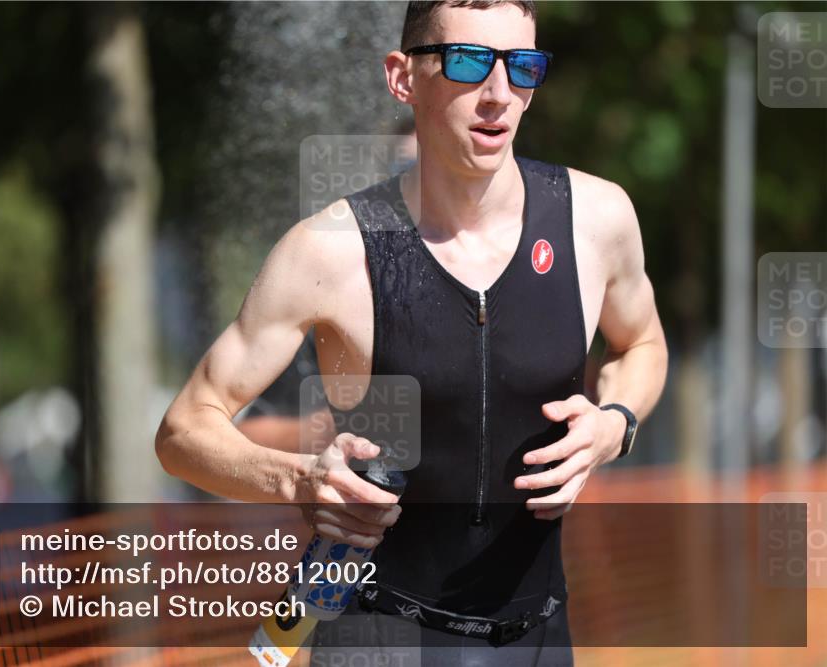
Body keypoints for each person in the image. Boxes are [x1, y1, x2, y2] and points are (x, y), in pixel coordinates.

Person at [156, 1, 668, 664]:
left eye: (523, 67)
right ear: (403, 77)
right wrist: (299, 479)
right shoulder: (330, 252)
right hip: (378, 634)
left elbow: (643, 345)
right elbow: (184, 430)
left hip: (537, 636)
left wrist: (614, 422)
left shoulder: (596, 220)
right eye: (467, 62)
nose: (498, 94)